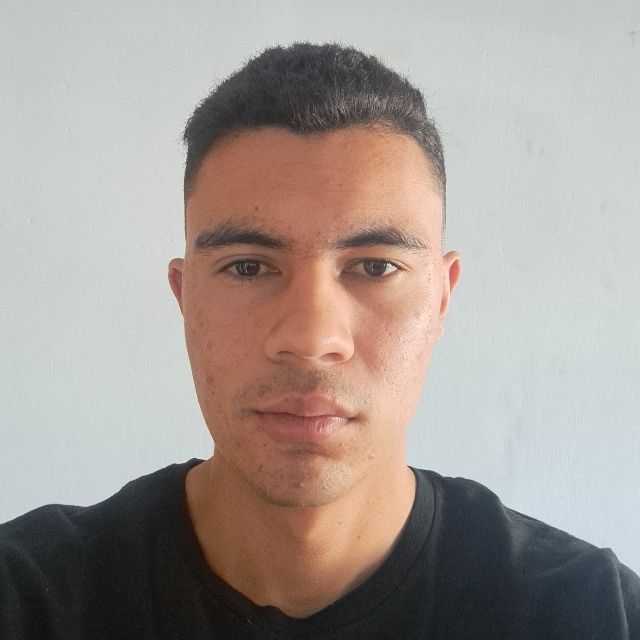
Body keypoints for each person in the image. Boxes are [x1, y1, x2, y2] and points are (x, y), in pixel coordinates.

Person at [1, 41, 638, 639]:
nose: (310, 339)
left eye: (375, 267)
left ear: (441, 298)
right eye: (247, 267)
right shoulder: (28, 601)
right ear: (184, 296)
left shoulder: (592, 614)